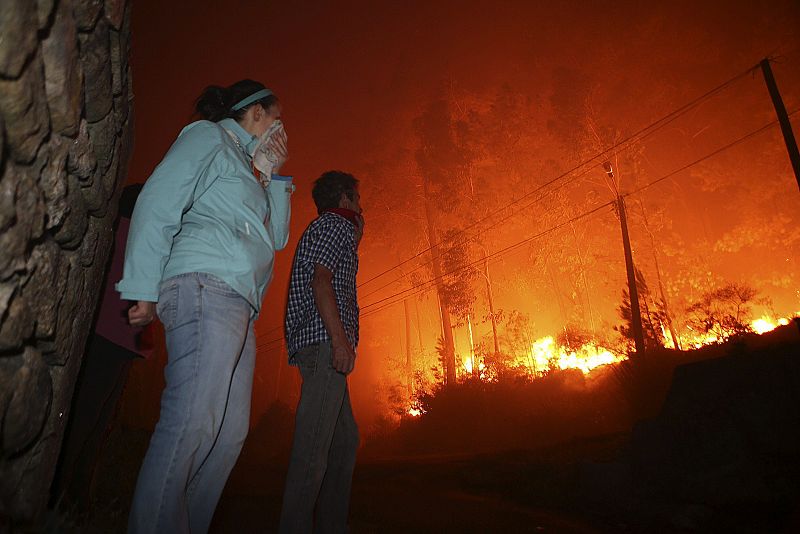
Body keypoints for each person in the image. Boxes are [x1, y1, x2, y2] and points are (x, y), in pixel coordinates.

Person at [115, 79, 293, 534]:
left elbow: (274, 238)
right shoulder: (208, 137)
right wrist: (143, 285)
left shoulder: (245, 167)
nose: (279, 129)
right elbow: (159, 199)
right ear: (254, 113)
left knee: (227, 437)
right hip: (203, 287)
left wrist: (270, 174)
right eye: (275, 118)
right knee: (192, 423)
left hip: (238, 303)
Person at [51, 184, 149, 518]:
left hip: (107, 336)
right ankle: (66, 496)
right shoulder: (133, 239)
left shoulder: (114, 235)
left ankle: (72, 496)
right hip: (115, 338)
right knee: (92, 420)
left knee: (90, 417)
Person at [280, 171, 364, 534]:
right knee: (313, 451)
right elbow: (321, 280)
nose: (361, 207)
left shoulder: (330, 227)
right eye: (357, 199)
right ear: (345, 198)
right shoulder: (335, 225)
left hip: (319, 345)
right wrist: (340, 341)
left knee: (344, 441)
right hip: (323, 344)